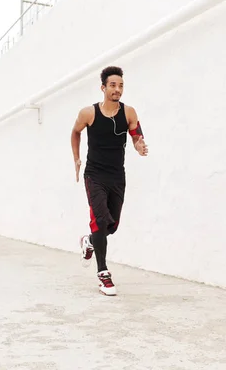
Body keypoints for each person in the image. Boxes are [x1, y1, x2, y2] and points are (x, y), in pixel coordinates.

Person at [70, 65, 148, 296]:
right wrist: (76, 159)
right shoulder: (89, 113)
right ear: (103, 88)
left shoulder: (129, 113)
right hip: (94, 175)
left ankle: (90, 241)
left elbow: (136, 136)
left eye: (121, 85)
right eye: (113, 85)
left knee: (111, 226)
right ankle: (103, 274)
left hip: (117, 176)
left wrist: (139, 145)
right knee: (101, 220)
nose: (117, 89)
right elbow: (75, 132)